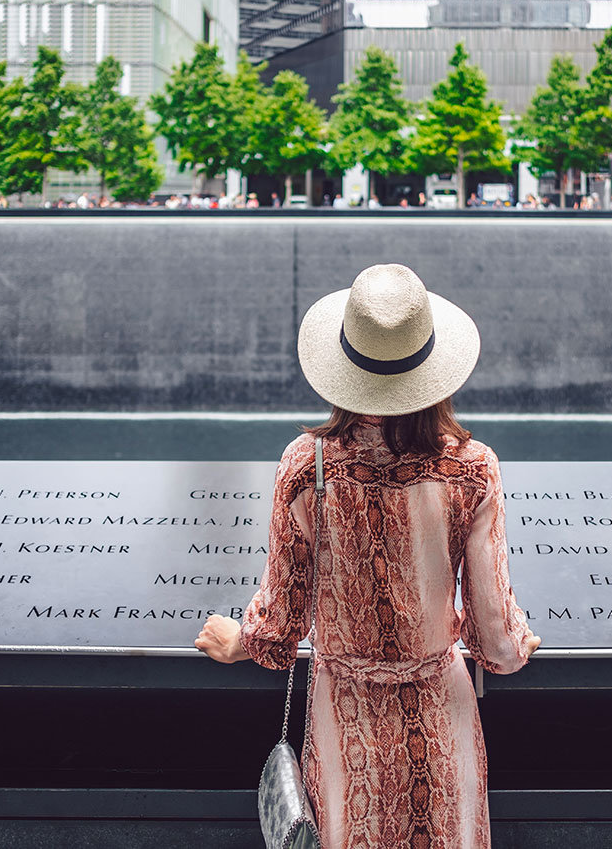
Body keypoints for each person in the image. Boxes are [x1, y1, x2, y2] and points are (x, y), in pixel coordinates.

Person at [196, 264, 540, 848]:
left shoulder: (308, 465)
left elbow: (279, 627)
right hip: (440, 709)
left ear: (345, 367)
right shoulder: (473, 468)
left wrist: (241, 641)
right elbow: (498, 644)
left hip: (344, 711)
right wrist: (513, 643)